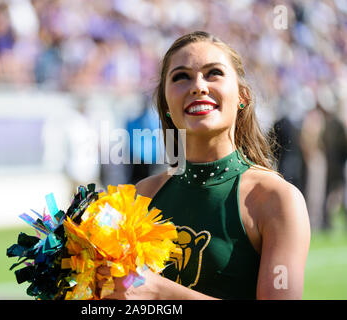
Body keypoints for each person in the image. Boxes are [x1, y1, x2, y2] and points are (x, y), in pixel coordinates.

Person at [96, 31, 310, 300]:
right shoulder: (142, 196)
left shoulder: (276, 199)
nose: (198, 86)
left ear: (242, 96)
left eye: (214, 73)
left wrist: (162, 293)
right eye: (181, 77)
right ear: (166, 106)